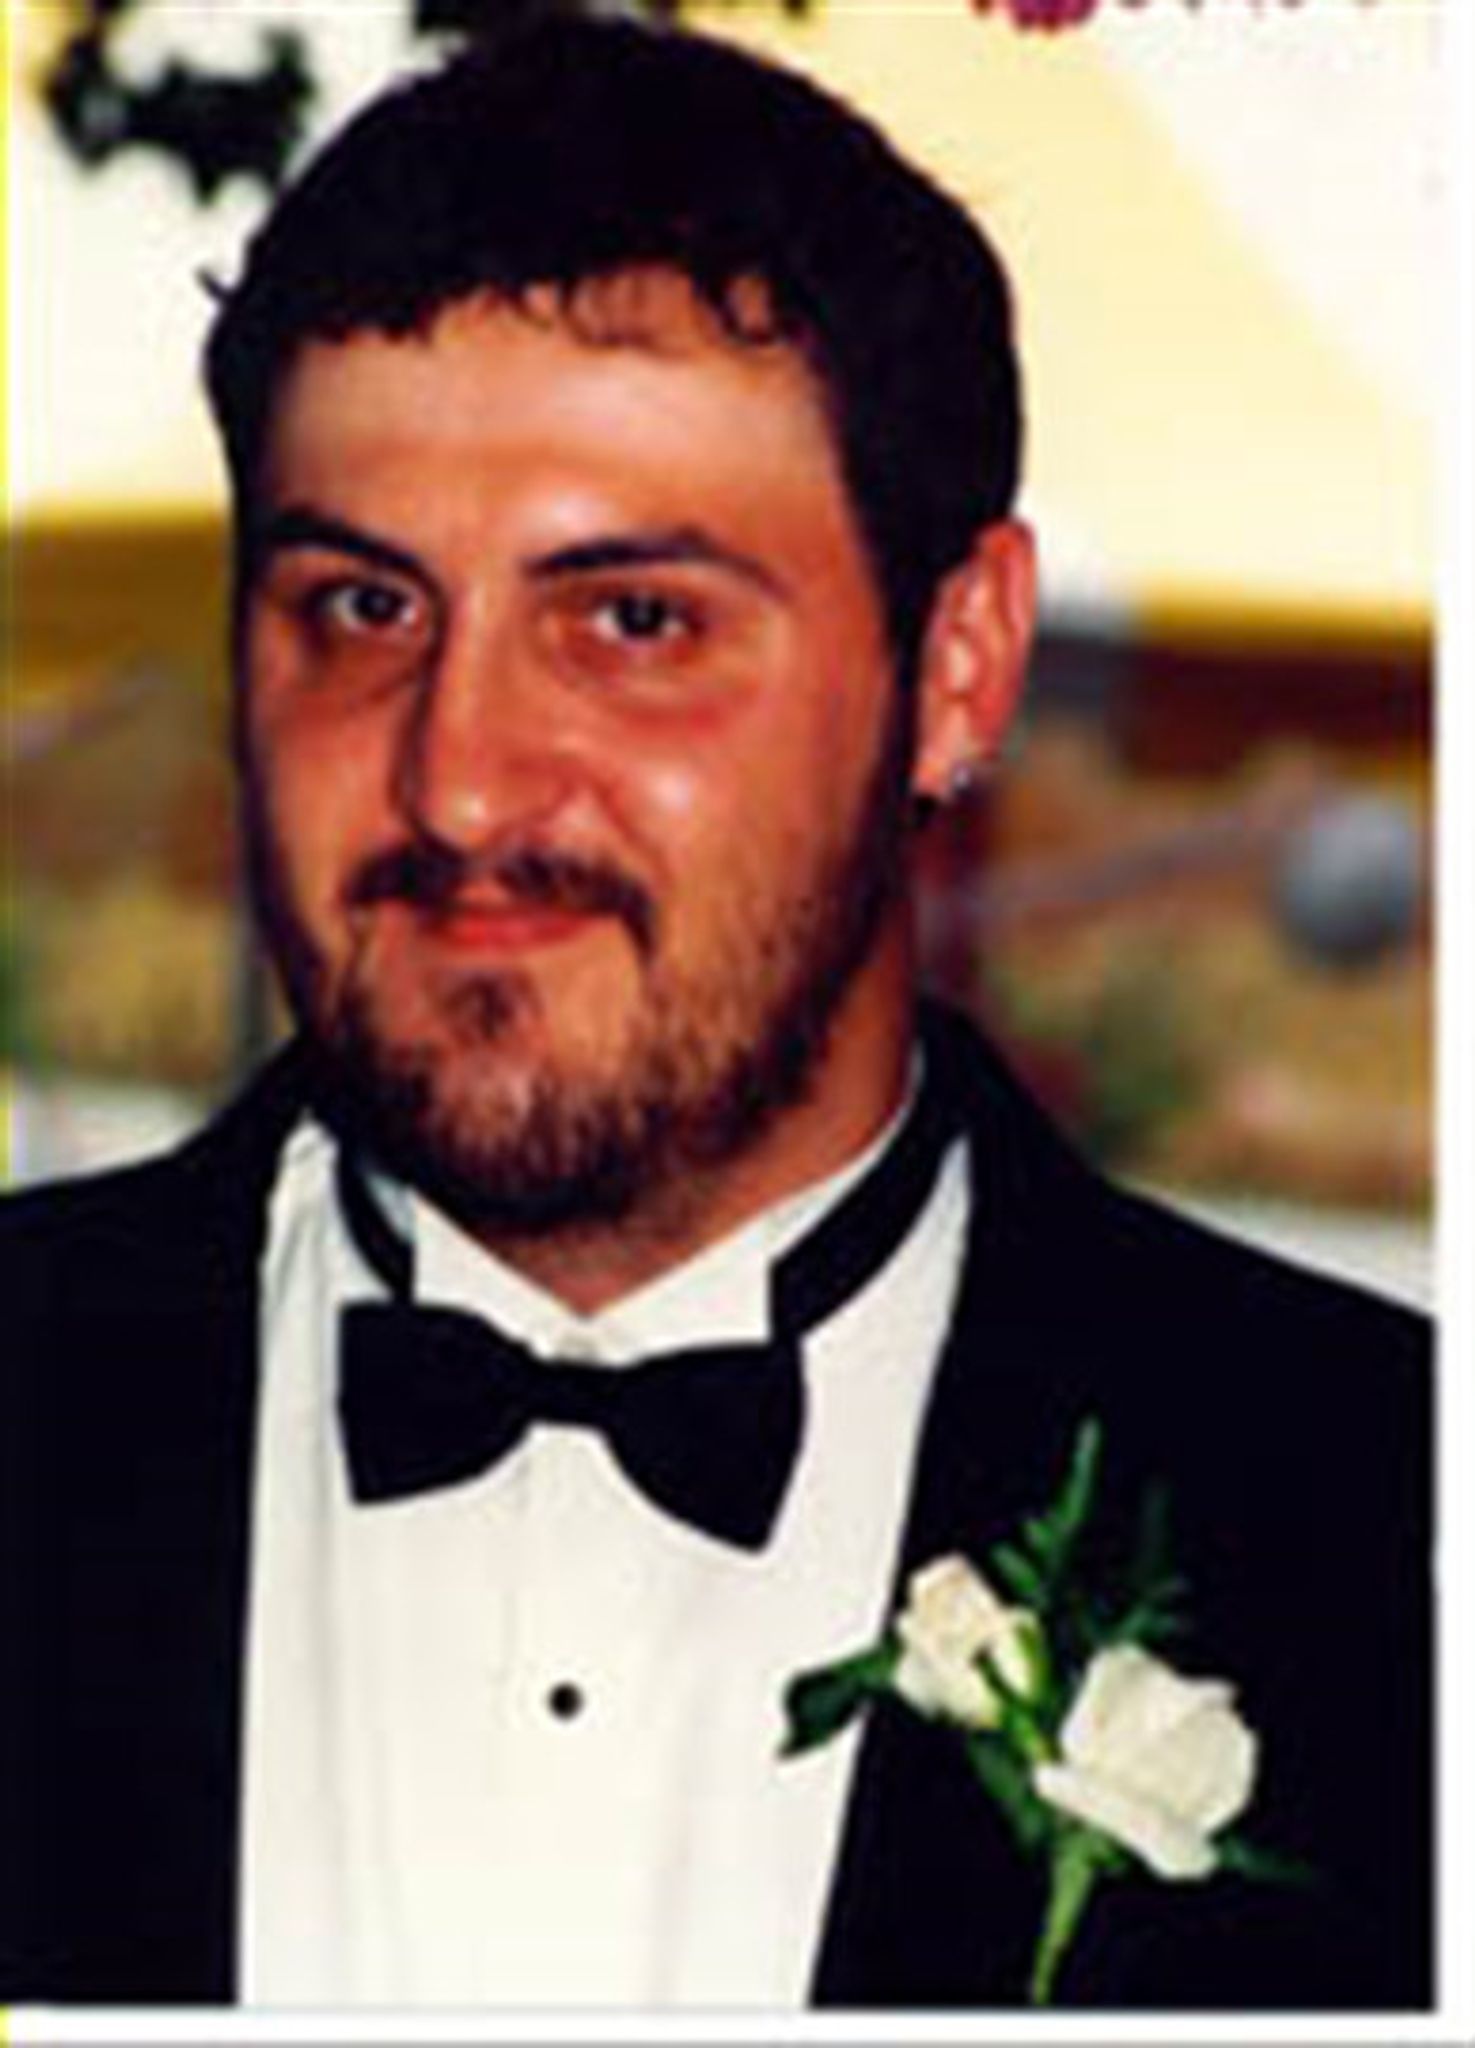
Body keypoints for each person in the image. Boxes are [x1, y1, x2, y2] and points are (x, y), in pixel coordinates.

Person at [0, 12, 1431, 2012]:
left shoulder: (1390, 1524)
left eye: (635, 620)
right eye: (361, 607)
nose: (458, 784)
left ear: (957, 663)